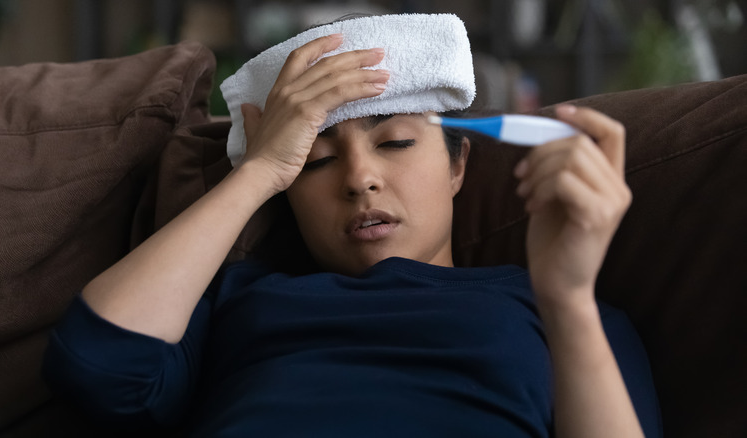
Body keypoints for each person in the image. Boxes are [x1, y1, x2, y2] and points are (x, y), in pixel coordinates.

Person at [42, 13, 661, 438]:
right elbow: (96, 365)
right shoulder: (238, 302)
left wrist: (568, 301)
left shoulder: (561, 311)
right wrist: (259, 171)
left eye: (393, 142)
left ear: (457, 167)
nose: (359, 179)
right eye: (319, 160)